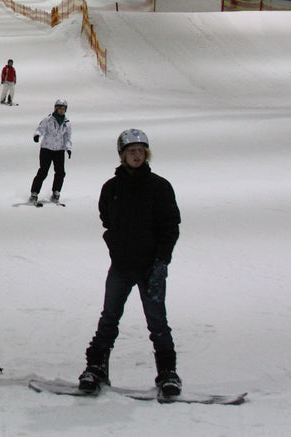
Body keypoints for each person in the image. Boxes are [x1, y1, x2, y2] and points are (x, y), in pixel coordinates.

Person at [77, 129, 182, 400]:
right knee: (109, 318)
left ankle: (168, 373)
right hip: (122, 266)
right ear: (122, 155)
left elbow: (171, 227)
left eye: (141, 152)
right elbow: (107, 218)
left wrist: (161, 262)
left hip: (150, 267)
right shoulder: (112, 188)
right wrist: (114, 241)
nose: (137, 156)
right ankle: (96, 367)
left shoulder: (160, 187)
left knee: (158, 322)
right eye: (131, 152)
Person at [29, 99, 73, 204]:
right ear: (56, 108)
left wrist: (68, 148)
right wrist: (37, 135)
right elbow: (40, 129)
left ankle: (56, 191)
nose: (62, 111)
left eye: (64, 109)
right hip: (46, 149)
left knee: (60, 172)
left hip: (59, 150)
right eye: (60, 109)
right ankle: (34, 192)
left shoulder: (67, 123)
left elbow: (67, 137)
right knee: (43, 171)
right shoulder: (48, 119)